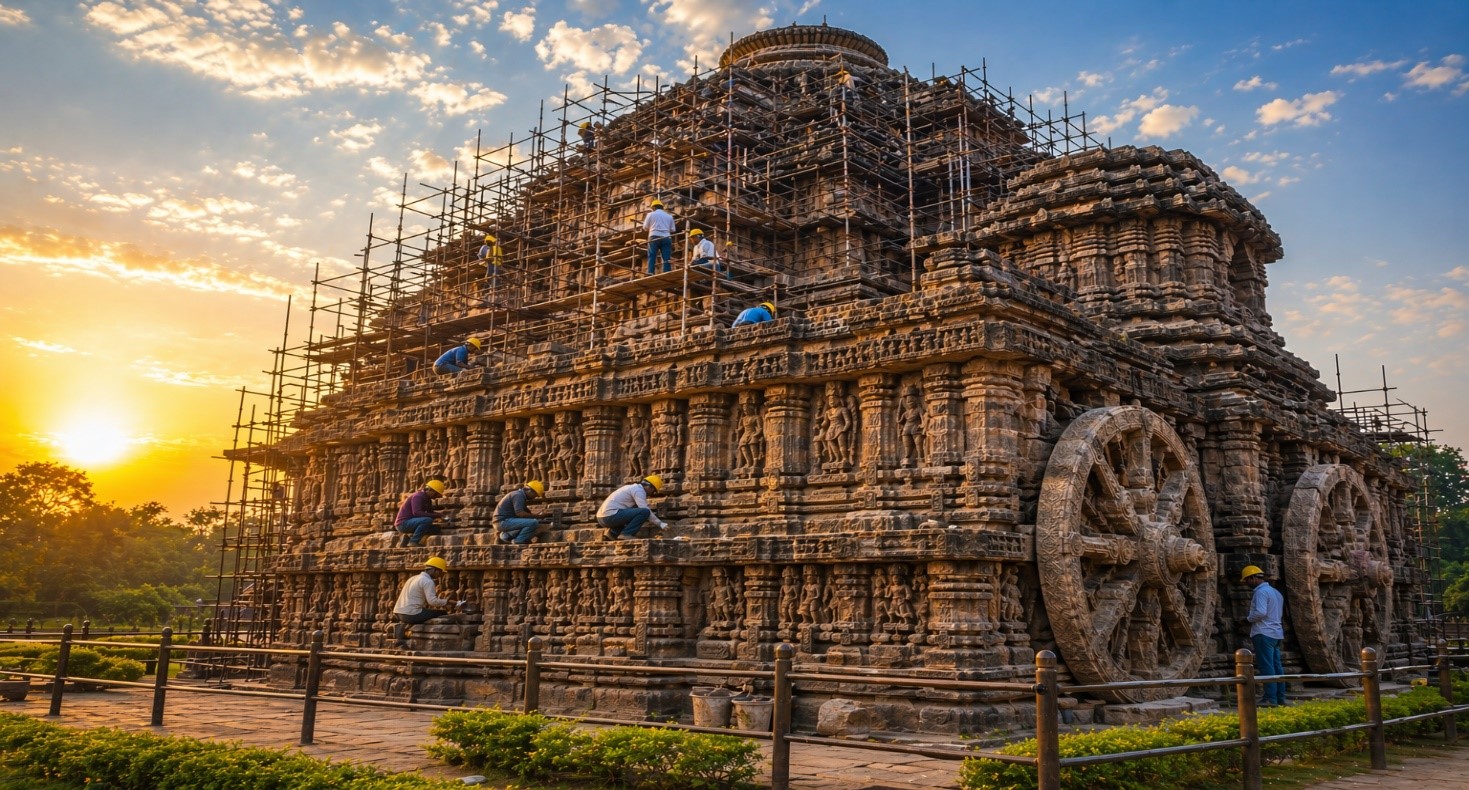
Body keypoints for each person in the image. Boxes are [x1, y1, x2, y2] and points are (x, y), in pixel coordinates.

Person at [1242, 565, 1288, 706]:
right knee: (1277, 666)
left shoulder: (1260, 592)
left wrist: (1247, 619)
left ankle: (1270, 698)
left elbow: (1261, 612)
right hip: (1276, 633)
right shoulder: (1276, 592)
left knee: (1267, 667)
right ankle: (1280, 697)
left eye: (1247, 580)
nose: (1247, 584)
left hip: (1263, 632)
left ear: (1254, 578)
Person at [391, 556, 458, 649]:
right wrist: (448, 602)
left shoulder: (413, 578)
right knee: (442, 613)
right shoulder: (428, 581)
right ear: (436, 570)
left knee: (426, 611)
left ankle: (401, 638)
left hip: (398, 612)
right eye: (440, 573)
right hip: (411, 614)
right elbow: (432, 601)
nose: (440, 576)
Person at [597, 474, 668, 540]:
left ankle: (612, 533)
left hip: (601, 518)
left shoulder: (632, 487)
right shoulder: (639, 491)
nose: (652, 493)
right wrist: (660, 523)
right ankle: (626, 534)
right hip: (610, 517)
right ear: (649, 486)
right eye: (653, 491)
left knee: (634, 509)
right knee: (644, 512)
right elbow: (646, 509)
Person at [395, 479, 446, 547]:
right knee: (427, 520)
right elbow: (417, 513)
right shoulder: (418, 496)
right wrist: (436, 515)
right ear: (431, 490)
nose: (437, 496)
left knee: (436, 529)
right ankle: (413, 541)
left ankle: (407, 538)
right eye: (437, 493)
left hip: (412, 523)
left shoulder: (427, 499)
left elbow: (430, 512)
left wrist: (441, 516)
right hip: (403, 524)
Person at [494, 480, 547, 545]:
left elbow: (527, 513)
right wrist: (538, 516)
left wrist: (538, 514)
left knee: (532, 523)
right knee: (533, 523)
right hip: (502, 522)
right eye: (535, 495)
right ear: (530, 490)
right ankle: (518, 541)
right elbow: (520, 513)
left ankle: (506, 535)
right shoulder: (518, 495)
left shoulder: (520, 495)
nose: (534, 497)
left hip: (504, 521)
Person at [643, 199, 676, 274]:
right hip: (666, 237)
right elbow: (673, 229)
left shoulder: (650, 214)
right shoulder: (669, 216)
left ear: (654, 208)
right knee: (666, 257)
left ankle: (650, 272)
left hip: (654, 236)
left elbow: (645, 227)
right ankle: (667, 272)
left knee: (652, 255)